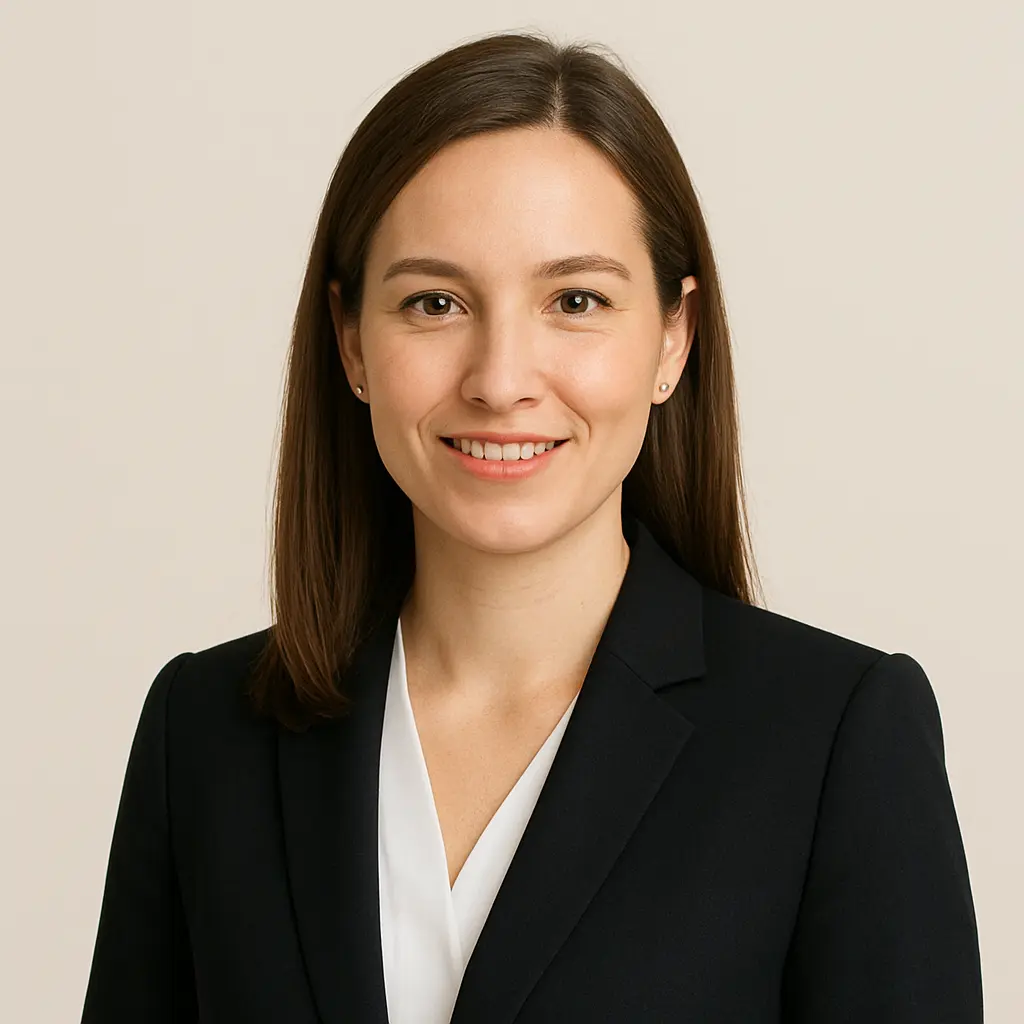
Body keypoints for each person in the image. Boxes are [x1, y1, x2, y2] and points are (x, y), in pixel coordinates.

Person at [81, 30, 983, 1024]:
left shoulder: (833, 742)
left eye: (575, 300)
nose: (500, 378)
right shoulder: (206, 734)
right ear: (350, 342)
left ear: (672, 339)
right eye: (434, 301)